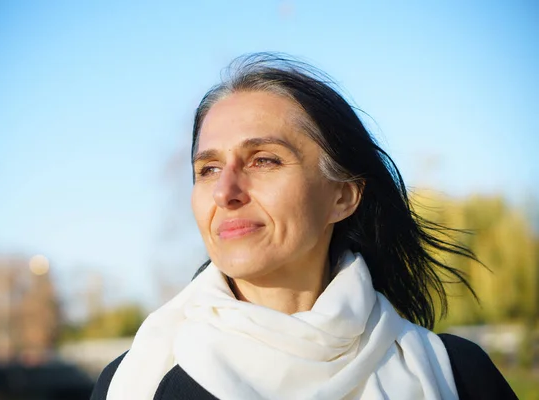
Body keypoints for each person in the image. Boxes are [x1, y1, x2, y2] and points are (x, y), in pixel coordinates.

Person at [91, 54, 517, 400]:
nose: (225, 192)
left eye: (263, 160)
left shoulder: (458, 377)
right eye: (208, 168)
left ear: (343, 196)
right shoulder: (134, 381)